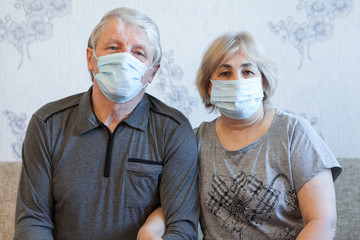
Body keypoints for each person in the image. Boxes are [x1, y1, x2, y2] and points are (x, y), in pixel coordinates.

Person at [14, 7, 199, 240]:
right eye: (113, 47)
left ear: (152, 73)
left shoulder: (174, 130)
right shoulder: (47, 124)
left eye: (139, 53)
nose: (125, 59)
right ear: (91, 58)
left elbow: (182, 226)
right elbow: (32, 220)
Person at [141, 31, 342, 239]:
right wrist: (149, 230)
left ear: (263, 82)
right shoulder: (196, 140)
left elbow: (322, 222)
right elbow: (175, 203)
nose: (237, 81)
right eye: (225, 73)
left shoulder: (294, 133)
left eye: (247, 72)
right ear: (210, 87)